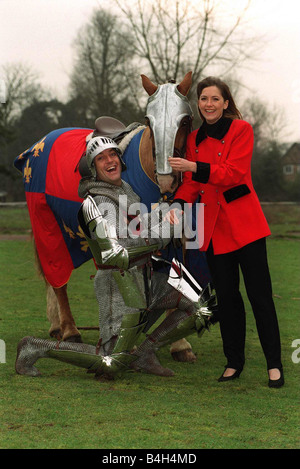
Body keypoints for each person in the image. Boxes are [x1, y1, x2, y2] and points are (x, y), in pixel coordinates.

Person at [15, 136, 215, 379]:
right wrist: (165, 232)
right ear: (93, 168)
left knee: (202, 307)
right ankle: (34, 347)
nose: (109, 160)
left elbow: (140, 223)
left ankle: (145, 352)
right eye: (101, 158)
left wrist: (168, 212)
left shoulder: (124, 190)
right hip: (118, 285)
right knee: (111, 362)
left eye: (112, 155)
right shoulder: (95, 203)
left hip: (146, 279)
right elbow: (115, 252)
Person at [168, 76, 284, 388]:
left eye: (215, 99)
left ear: (226, 102)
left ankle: (274, 365)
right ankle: (234, 363)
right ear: (199, 103)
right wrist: (179, 203)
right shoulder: (193, 140)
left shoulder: (241, 130)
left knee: (260, 298)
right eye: (204, 98)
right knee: (229, 301)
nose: (209, 104)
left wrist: (193, 168)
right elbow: (192, 184)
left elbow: (232, 174)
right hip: (214, 231)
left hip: (245, 226)